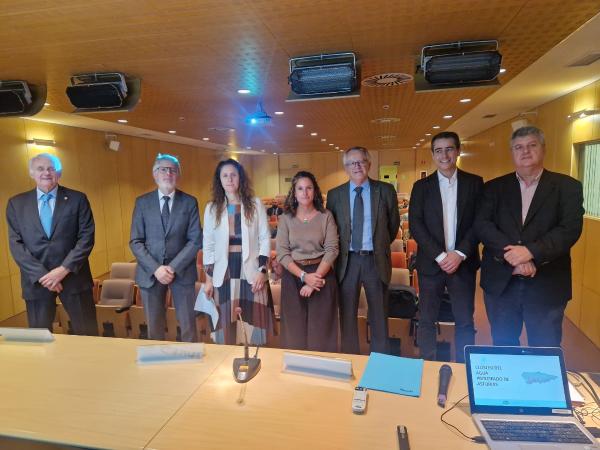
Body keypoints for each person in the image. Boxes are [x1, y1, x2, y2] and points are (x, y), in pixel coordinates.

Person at [476, 126, 584, 347]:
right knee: (503, 345)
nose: (525, 151)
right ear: (512, 152)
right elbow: (482, 225)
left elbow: (569, 229)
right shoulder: (494, 188)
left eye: (531, 145)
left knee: (545, 347)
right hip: (501, 282)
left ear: (543, 149)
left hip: (546, 283)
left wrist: (530, 252)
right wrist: (513, 257)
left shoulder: (567, 187)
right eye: (518, 147)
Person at [409, 131, 483, 363]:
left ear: (458, 151)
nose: (444, 155)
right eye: (438, 151)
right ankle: (428, 365)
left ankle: (464, 366)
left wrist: (459, 253)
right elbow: (416, 225)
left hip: (463, 263)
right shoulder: (421, 186)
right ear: (433, 155)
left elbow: (480, 222)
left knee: (465, 321)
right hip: (432, 264)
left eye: (449, 149)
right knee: (426, 319)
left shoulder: (475, 183)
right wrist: (441, 256)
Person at [6, 153, 98, 335]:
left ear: (59, 173)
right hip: (37, 281)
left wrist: (63, 270)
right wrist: (43, 275)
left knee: (87, 333)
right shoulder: (16, 204)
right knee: (39, 337)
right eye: (40, 168)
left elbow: (86, 238)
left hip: (74, 278)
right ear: (31, 173)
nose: (46, 173)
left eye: (51, 168)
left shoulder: (78, 199)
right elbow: (16, 244)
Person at [327, 147, 400, 354]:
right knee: (347, 315)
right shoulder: (335, 195)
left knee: (379, 315)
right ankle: (352, 359)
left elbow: (392, 226)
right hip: (347, 262)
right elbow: (332, 229)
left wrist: (378, 245)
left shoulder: (385, 190)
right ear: (346, 167)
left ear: (369, 164)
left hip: (375, 261)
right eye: (352, 163)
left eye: (361, 161)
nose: (357, 166)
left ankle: (380, 361)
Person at [130, 153, 202, 342]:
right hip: (150, 273)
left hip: (182, 271)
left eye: (173, 170)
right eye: (163, 169)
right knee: (154, 328)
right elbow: (135, 241)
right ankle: (158, 359)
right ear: (155, 174)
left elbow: (195, 240)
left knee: (188, 327)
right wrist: (156, 269)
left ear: (178, 175)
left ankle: (191, 359)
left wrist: (172, 267)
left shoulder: (190, 202)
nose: (168, 174)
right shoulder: (142, 203)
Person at [203, 159, 275, 345]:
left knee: (253, 323)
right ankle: (226, 359)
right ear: (219, 180)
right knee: (224, 324)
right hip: (223, 272)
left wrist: (262, 271)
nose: (229, 179)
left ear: (240, 178)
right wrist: (208, 279)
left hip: (251, 271)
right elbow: (208, 245)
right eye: (225, 175)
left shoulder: (255, 204)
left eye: (233, 175)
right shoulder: (211, 208)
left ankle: (254, 356)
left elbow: (264, 238)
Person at [276, 171, 339, 352]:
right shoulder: (285, 218)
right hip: (293, 275)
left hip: (321, 274)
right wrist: (304, 277)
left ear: (315, 191)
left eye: (309, 188)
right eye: (300, 188)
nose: (305, 192)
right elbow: (282, 253)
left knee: (321, 333)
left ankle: (322, 368)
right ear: (294, 193)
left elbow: (332, 249)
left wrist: (314, 280)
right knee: (294, 332)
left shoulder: (326, 216)